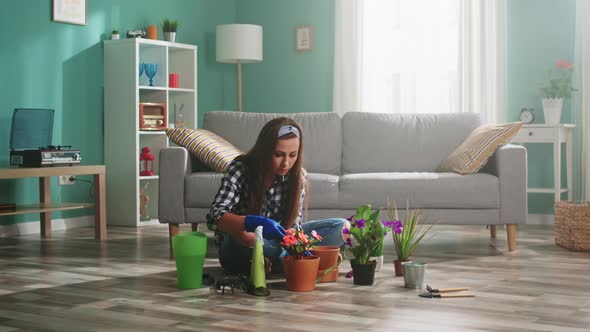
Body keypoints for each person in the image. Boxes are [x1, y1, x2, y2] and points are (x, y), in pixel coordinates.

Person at [206, 117, 348, 275]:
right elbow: (214, 218)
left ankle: (275, 262)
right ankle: (299, 261)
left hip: (278, 243)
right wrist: (250, 222)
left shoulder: (298, 177)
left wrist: (294, 241)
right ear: (265, 150)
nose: (286, 163)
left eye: (292, 155)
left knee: (341, 227)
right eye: (279, 154)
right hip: (242, 242)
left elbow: (294, 228)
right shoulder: (240, 169)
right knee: (247, 240)